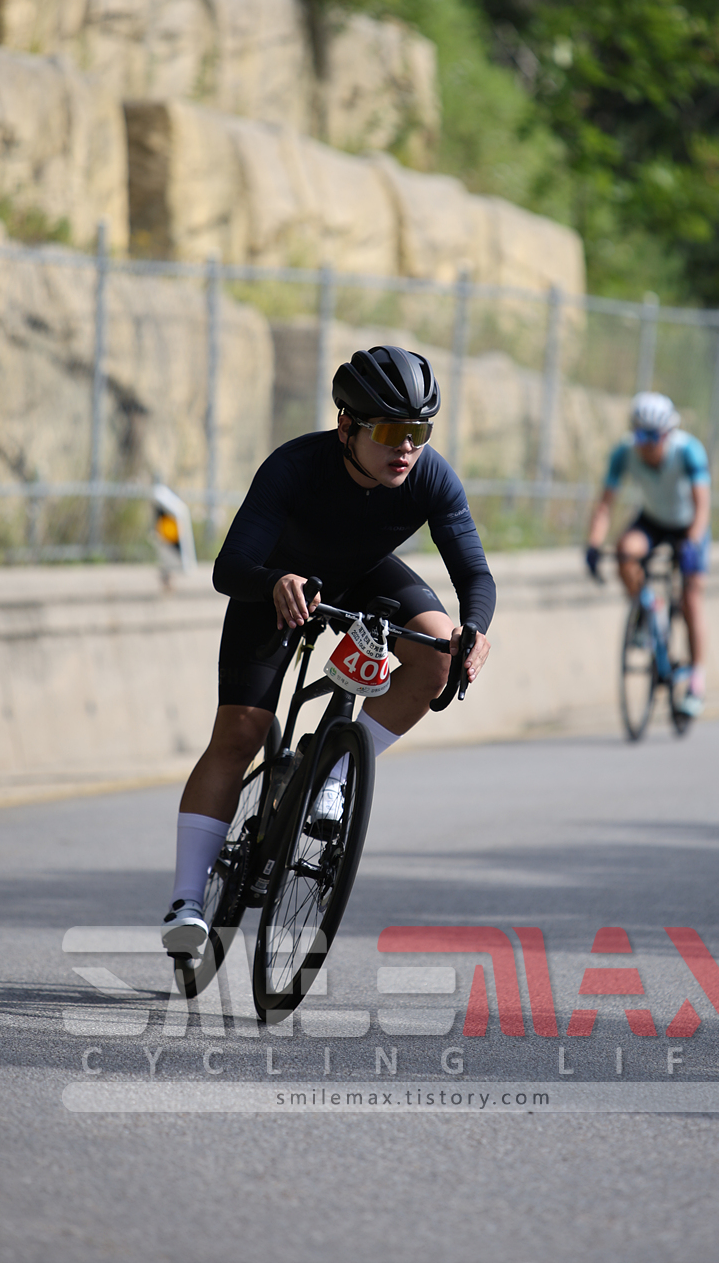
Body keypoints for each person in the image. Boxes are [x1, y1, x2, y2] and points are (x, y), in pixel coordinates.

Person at [162, 345, 496, 954]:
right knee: (238, 735)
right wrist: (274, 582)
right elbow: (229, 567)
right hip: (277, 587)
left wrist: (473, 629)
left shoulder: (430, 476)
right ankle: (187, 901)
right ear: (347, 427)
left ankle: (334, 772)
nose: (406, 448)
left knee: (439, 652)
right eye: (390, 431)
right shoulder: (295, 467)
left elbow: (474, 573)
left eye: (419, 432)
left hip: (363, 575)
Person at [585, 391, 711, 716]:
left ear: (668, 434)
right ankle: (648, 609)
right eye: (640, 436)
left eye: (653, 437)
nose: (646, 445)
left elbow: (702, 506)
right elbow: (605, 505)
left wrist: (692, 543)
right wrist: (594, 545)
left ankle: (696, 680)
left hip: (688, 526)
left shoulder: (688, 451)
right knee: (625, 552)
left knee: (691, 598)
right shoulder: (625, 452)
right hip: (653, 520)